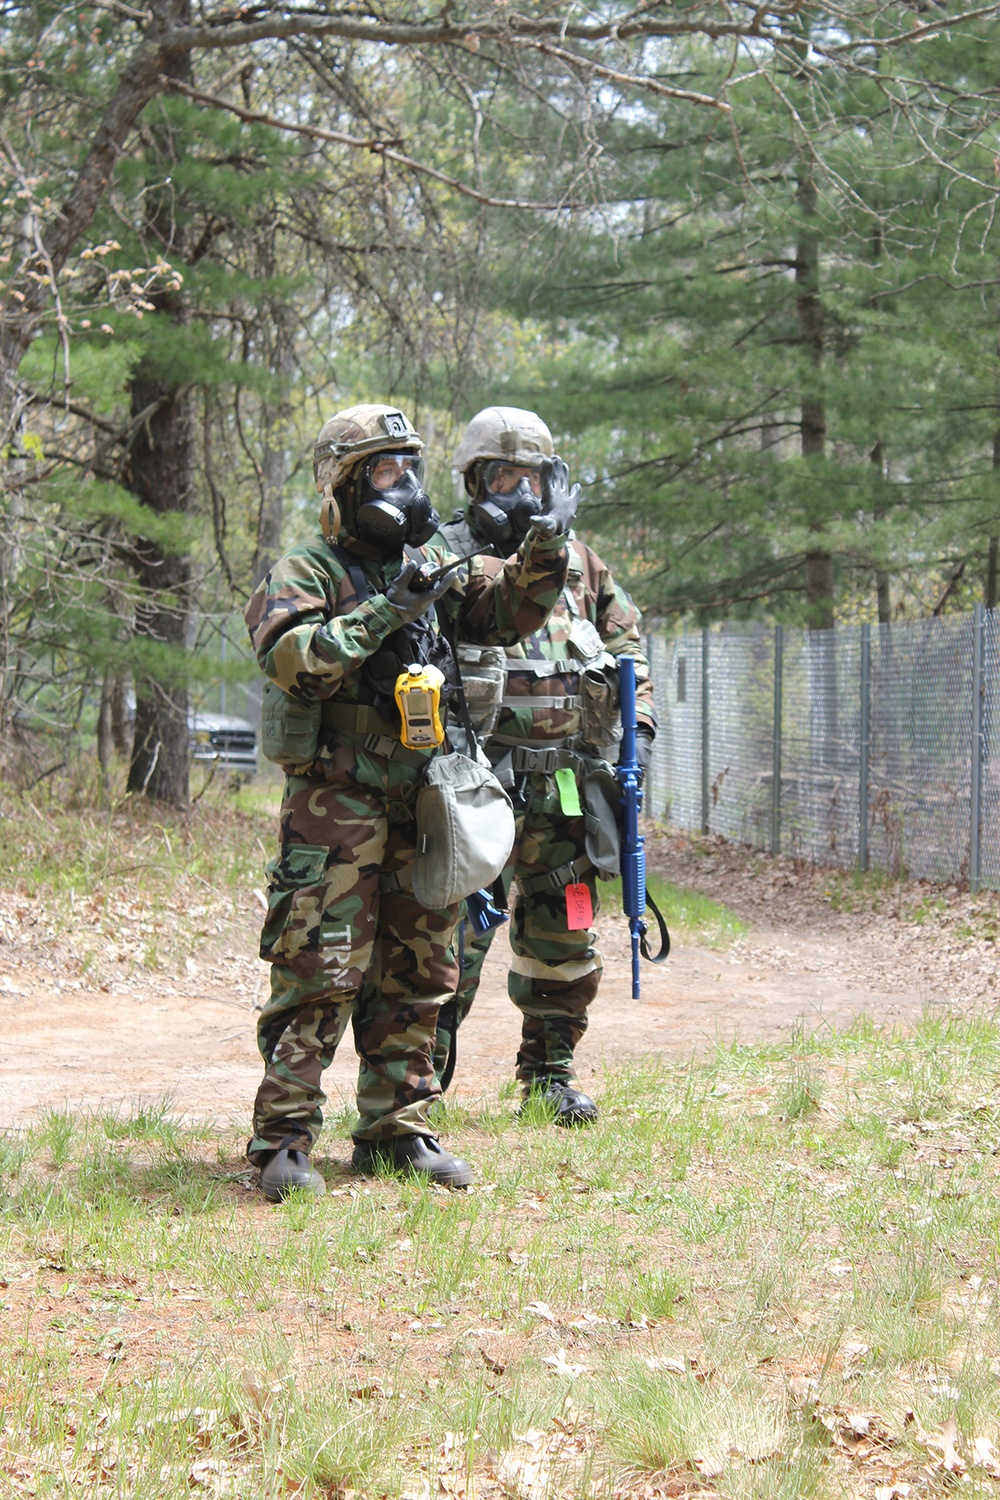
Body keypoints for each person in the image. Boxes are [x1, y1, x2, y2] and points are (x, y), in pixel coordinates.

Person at [244, 403, 570, 1200]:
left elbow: (509, 615)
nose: (404, 486)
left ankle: (398, 1129)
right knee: (319, 968)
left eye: (410, 469)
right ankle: (284, 1139)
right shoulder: (307, 568)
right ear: (345, 484)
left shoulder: (433, 558)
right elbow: (298, 662)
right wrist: (391, 606)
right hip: (337, 802)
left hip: (424, 797)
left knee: (422, 968)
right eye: (386, 472)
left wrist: (547, 543)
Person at [430, 406, 656, 1124]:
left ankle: (549, 1074)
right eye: (504, 474)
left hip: (565, 787)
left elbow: (629, 649)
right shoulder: (448, 555)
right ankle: (416, 1086)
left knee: (564, 933)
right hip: (478, 783)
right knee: (449, 939)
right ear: (474, 479)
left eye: (534, 475)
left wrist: (639, 730)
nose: (521, 489)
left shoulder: (581, 563)